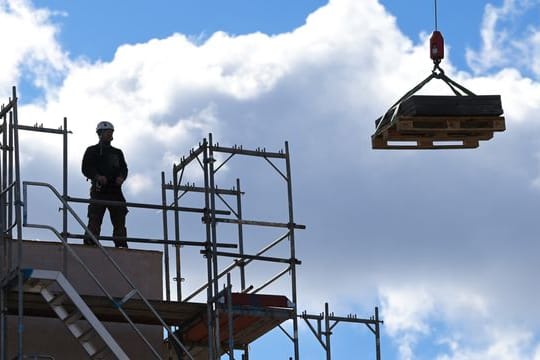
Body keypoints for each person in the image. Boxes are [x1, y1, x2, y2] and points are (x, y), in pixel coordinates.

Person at [82, 121, 129, 248]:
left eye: (111, 132)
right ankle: (91, 240)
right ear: (100, 134)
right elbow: (86, 168)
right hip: (99, 190)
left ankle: (120, 243)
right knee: (95, 217)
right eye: (108, 132)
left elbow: (124, 168)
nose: (110, 135)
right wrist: (97, 176)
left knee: (119, 217)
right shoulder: (92, 151)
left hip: (115, 191)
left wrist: (121, 177)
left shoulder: (117, 152)